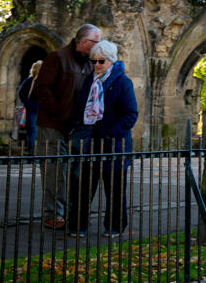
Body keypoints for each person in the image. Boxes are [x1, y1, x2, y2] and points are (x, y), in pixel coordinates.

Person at [30, 24, 99, 229]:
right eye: (96, 42)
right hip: (53, 124)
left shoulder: (89, 63)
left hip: (76, 126)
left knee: (74, 171)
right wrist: (59, 111)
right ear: (84, 42)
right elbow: (42, 89)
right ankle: (53, 214)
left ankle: (70, 212)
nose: (98, 46)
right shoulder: (57, 58)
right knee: (54, 170)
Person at [67, 39, 138, 238]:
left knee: (114, 190)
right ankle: (78, 226)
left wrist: (109, 133)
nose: (96, 65)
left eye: (101, 61)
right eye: (93, 61)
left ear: (111, 61)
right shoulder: (89, 82)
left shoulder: (123, 82)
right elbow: (80, 108)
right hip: (89, 143)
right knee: (83, 188)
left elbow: (130, 114)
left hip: (113, 144)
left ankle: (114, 227)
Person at [15, 60, 43, 149]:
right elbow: (21, 93)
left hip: (42, 110)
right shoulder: (30, 81)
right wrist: (28, 103)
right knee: (33, 129)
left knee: (36, 130)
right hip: (33, 109)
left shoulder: (45, 81)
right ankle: (33, 149)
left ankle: (36, 149)